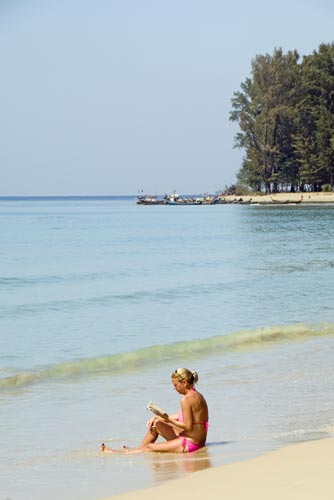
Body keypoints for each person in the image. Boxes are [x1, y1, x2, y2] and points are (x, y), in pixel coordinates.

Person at [100, 368, 209, 453]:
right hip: (195, 439)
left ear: (184, 383)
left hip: (191, 443)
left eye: (175, 385)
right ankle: (137, 449)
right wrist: (159, 416)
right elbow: (179, 416)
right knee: (156, 424)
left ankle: (119, 453)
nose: (174, 388)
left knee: (150, 447)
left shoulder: (185, 399)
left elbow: (187, 426)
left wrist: (167, 419)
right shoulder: (197, 395)